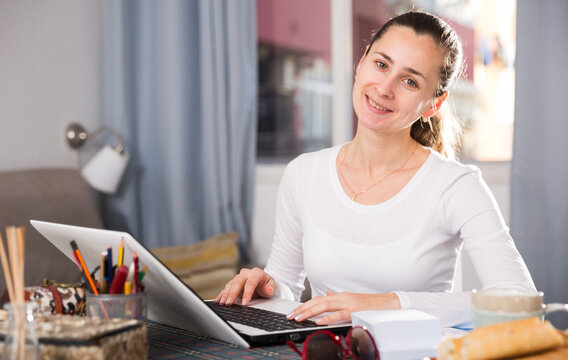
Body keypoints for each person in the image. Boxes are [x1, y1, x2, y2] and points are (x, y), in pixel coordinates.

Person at [215, 10, 536, 327]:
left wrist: (388, 303)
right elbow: (286, 286)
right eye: (381, 64)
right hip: (325, 349)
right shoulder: (303, 174)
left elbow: (520, 301)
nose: (384, 88)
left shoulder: (457, 185)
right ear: (361, 62)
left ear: (433, 104)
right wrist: (267, 287)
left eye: (410, 81)